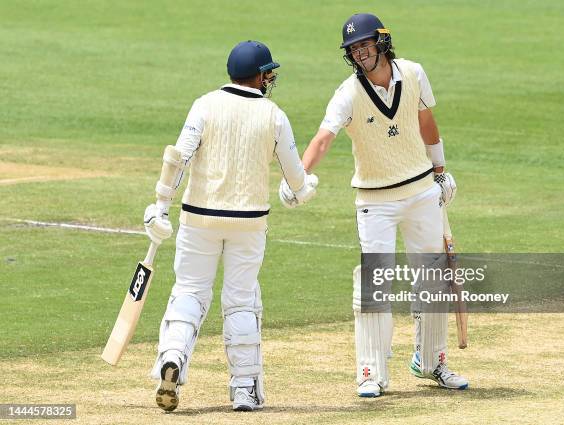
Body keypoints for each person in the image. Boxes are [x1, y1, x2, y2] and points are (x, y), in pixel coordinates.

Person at [143, 40, 318, 412]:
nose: (270, 77)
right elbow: (296, 179)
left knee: (189, 292)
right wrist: (303, 191)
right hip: (249, 223)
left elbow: (178, 158)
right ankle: (244, 390)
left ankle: (171, 358)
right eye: (267, 71)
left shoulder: (204, 104)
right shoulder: (274, 115)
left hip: (198, 217)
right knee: (241, 301)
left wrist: (159, 208)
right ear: (258, 75)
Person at [300, 13, 468, 397]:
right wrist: (299, 177)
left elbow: (427, 120)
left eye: (364, 45)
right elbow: (323, 137)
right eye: (353, 49)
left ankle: (431, 363)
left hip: (422, 190)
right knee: (373, 285)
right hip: (374, 200)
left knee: (432, 278)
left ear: (381, 42)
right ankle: (371, 372)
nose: (359, 54)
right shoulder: (348, 92)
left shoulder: (413, 73)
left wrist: (441, 170)